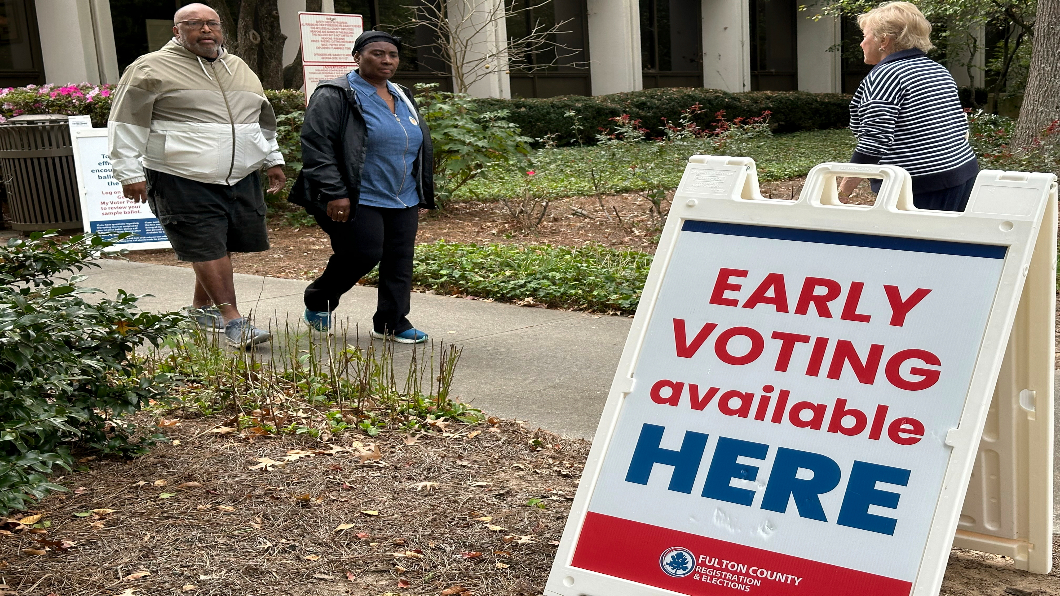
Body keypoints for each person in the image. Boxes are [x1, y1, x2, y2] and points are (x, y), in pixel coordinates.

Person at [108, 3, 285, 348]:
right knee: (205, 244)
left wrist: (272, 159)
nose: (205, 30)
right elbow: (125, 123)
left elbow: (260, 121)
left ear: (221, 30)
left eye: (212, 23)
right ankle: (233, 320)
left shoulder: (239, 67)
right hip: (179, 175)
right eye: (194, 24)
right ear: (176, 31)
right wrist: (128, 172)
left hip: (240, 176)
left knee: (218, 244)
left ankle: (202, 309)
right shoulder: (150, 67)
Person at [291, 30, 435, 343]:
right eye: (377, 53)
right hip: (357, 194)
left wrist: (420, 186)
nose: (386, 60)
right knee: (363, 252)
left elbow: (415, 142)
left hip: (403, 194)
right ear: (357, 57)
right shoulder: (336, 93)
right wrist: (334, 192)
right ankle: (319, 299)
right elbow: (317, 145)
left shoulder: (402, 94)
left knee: (399, 259)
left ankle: (392, 322)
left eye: (392, 55)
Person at [838, 1, 978, 211]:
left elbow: (874, 141)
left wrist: (843, 191)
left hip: (920, 186)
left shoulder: (886, 75)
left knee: (913, 244)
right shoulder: (937, 69)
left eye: (864, 36)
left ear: (883, 40)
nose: (861, 43)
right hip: (963, 173)